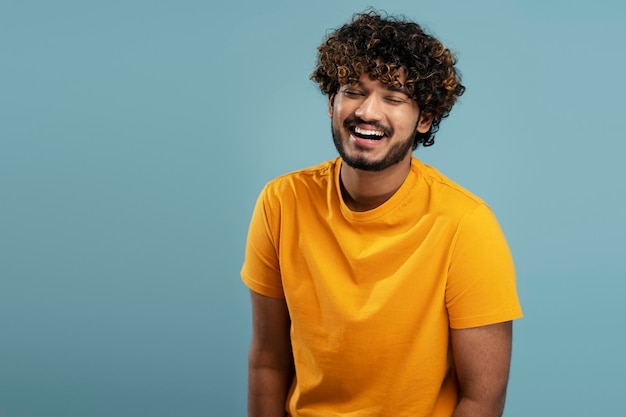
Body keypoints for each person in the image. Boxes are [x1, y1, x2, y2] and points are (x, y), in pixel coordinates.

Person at [241, 9, 523, 417]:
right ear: (331, 102)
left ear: (424, 118)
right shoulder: (282, 202)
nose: (368, 112)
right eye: (353, 90)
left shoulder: (466, 223)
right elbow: (268, 361)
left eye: (393, 98)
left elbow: (483, 398)